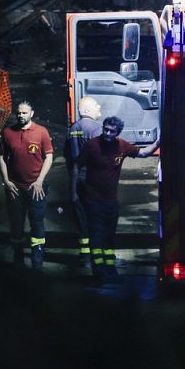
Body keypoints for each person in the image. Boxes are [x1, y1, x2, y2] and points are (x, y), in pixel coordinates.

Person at [73, 116, 159, 281]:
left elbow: (143, 153)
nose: (107, 133)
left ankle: (110, 271)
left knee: (109, 239)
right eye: (106, 129)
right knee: (96, 239)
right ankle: (98, 273)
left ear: (118, 132)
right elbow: (77, 165)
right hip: (93, 200)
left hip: (111, 202)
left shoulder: (122, 145)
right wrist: (74, 192)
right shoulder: (92, 145)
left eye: (112, 131)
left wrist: (158, 142)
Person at [0, 101, 54, 269]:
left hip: (36, 188)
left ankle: (37, 263)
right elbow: (2, 158)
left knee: (37, 223)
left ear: (32, 113)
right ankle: (18, 261)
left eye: (24, 113)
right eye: (18, 113)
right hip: (14, 188)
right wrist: (7, 181)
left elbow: (49, 157)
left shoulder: (41, 132)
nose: (20, 115)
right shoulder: (8, 133)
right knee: (16, 224)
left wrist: (40, 181)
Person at [64, 96, 102, 267]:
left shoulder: (73, 128)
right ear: (86, 110)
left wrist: (72, 188)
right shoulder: (96, 129)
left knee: (82, 218)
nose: (99, 106)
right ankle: (97, 257)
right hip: (93, 180)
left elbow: (69, 158)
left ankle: (85, 256)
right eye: (95, 105)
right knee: (97, 218)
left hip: (77, 179)